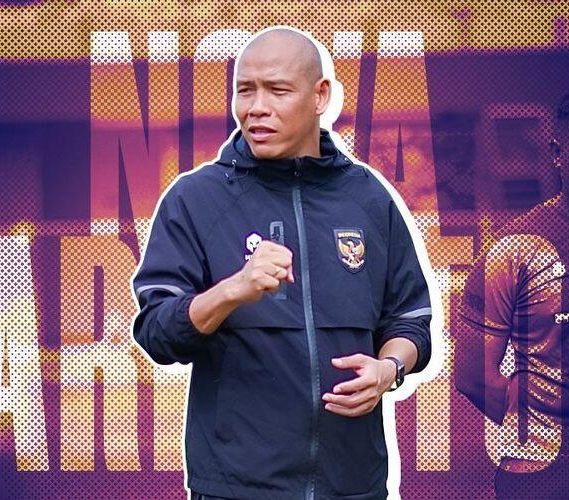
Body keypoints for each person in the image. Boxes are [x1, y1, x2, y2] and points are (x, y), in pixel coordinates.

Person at [130, 27, 436, 500]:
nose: (257, 107)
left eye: (277, 90)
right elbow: (157, 333)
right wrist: (233, 290)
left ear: (320, 96)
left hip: (354, 486)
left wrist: (389, 369)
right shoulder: (195, 199)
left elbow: (410, 319)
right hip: (237, 489)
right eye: (245, 90)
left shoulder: (368, 198)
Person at [456, 86, 569, 499]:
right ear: (558, 153)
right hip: (543, 471)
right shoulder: (514, 248)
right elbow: (473, 377)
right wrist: (541, 426)